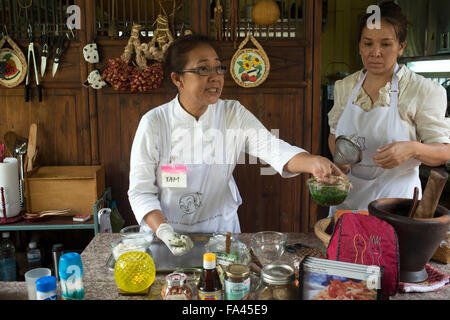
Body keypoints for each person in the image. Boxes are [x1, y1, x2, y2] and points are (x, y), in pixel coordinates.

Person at [128, 34, 345, 256]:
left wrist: (313, 162)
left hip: (220, 235)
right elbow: (140, 191)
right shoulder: (155, 122)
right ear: (177, 79)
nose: (215, 77)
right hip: (167, 239)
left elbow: (273, 148)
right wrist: (165, 231)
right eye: (203, 69)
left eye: (218, 68)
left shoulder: (232, 114)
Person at [327, 1, 450, 217]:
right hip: (348, 203)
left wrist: (412, 149)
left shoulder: (422, 90)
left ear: (401, 46)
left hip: (396, 206)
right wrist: (341, 163)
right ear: (359, 45)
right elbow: (335, 135)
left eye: (386, 44)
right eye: (368, 43)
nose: (375, 53)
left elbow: (444, 151)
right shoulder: (345, 87)